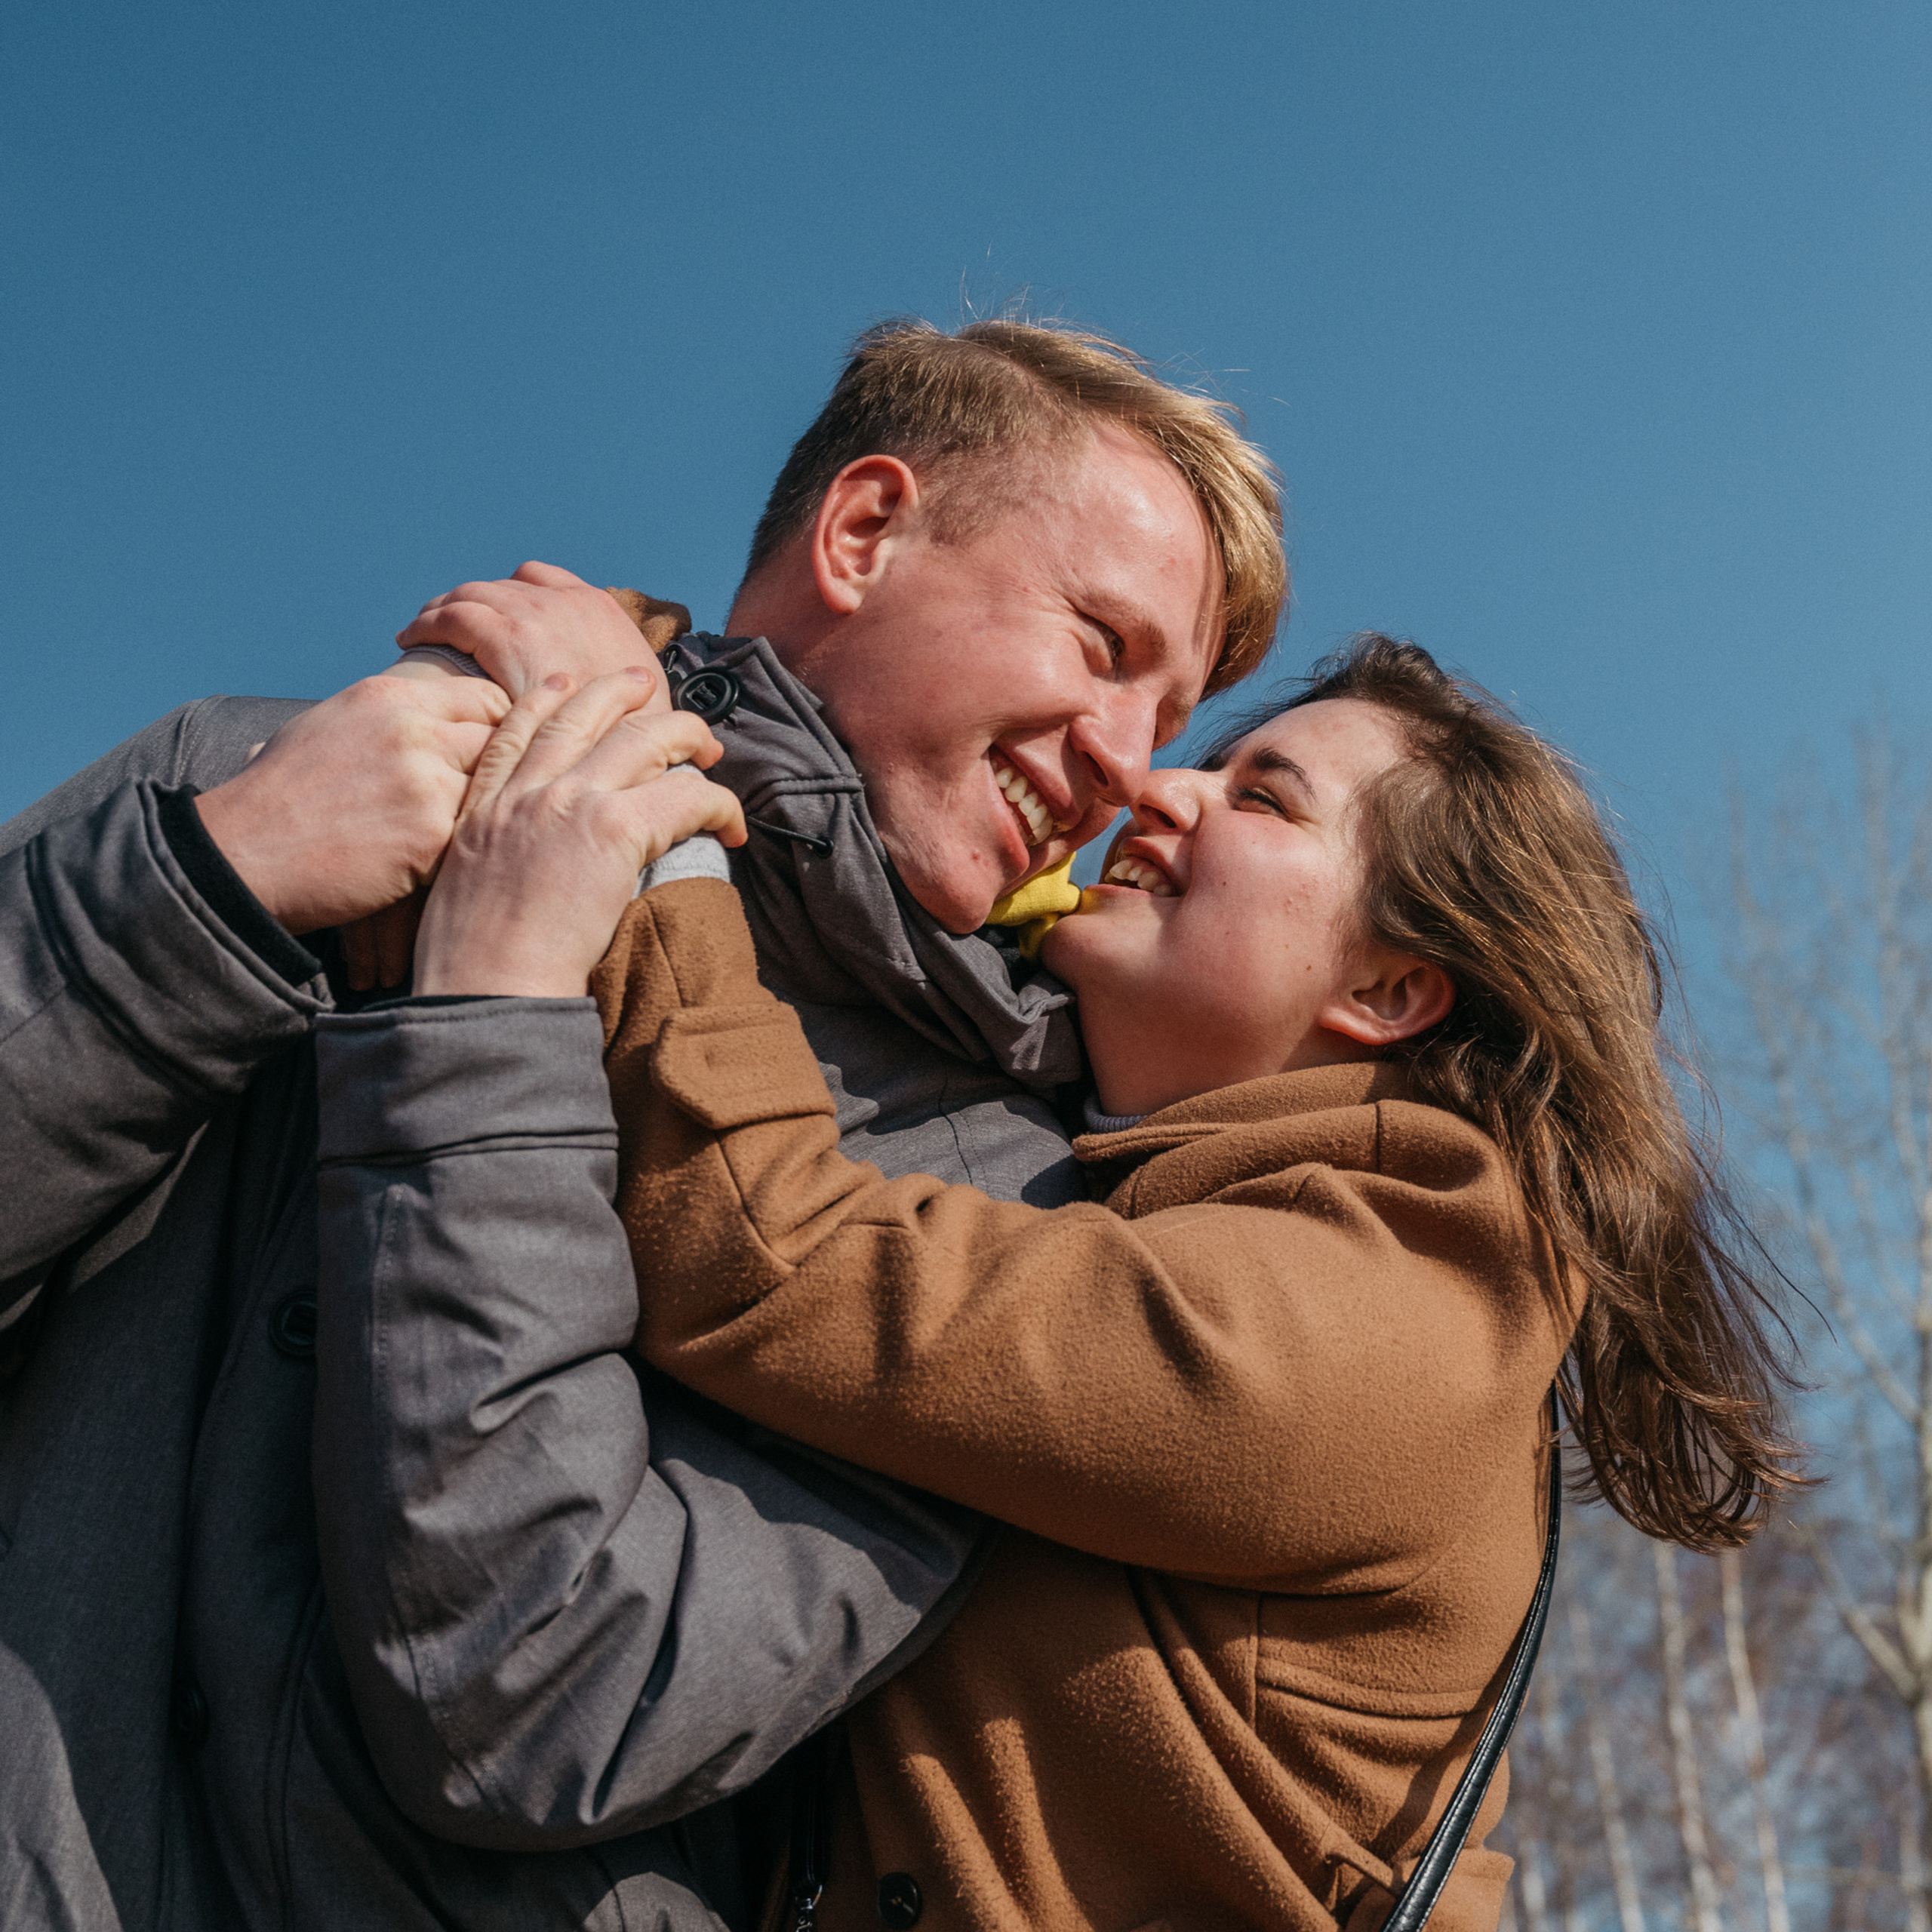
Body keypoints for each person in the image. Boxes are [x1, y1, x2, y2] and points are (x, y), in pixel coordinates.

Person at [0, 318, 1283, 1931]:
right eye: (1103, 645)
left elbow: (551, 1706)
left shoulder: (1014, 1204)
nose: (1127, 767)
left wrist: (482, 1021)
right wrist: (212, 889)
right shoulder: (271, 777)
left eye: (1170, 713)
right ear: (864, 531)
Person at [364, 634, 1801, 1930]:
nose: (1160, 787)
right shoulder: (1150, 1195)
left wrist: (646, 784)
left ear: (1384, 995)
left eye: (1265, 798)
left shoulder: (1413, 1306)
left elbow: (771, 1254)